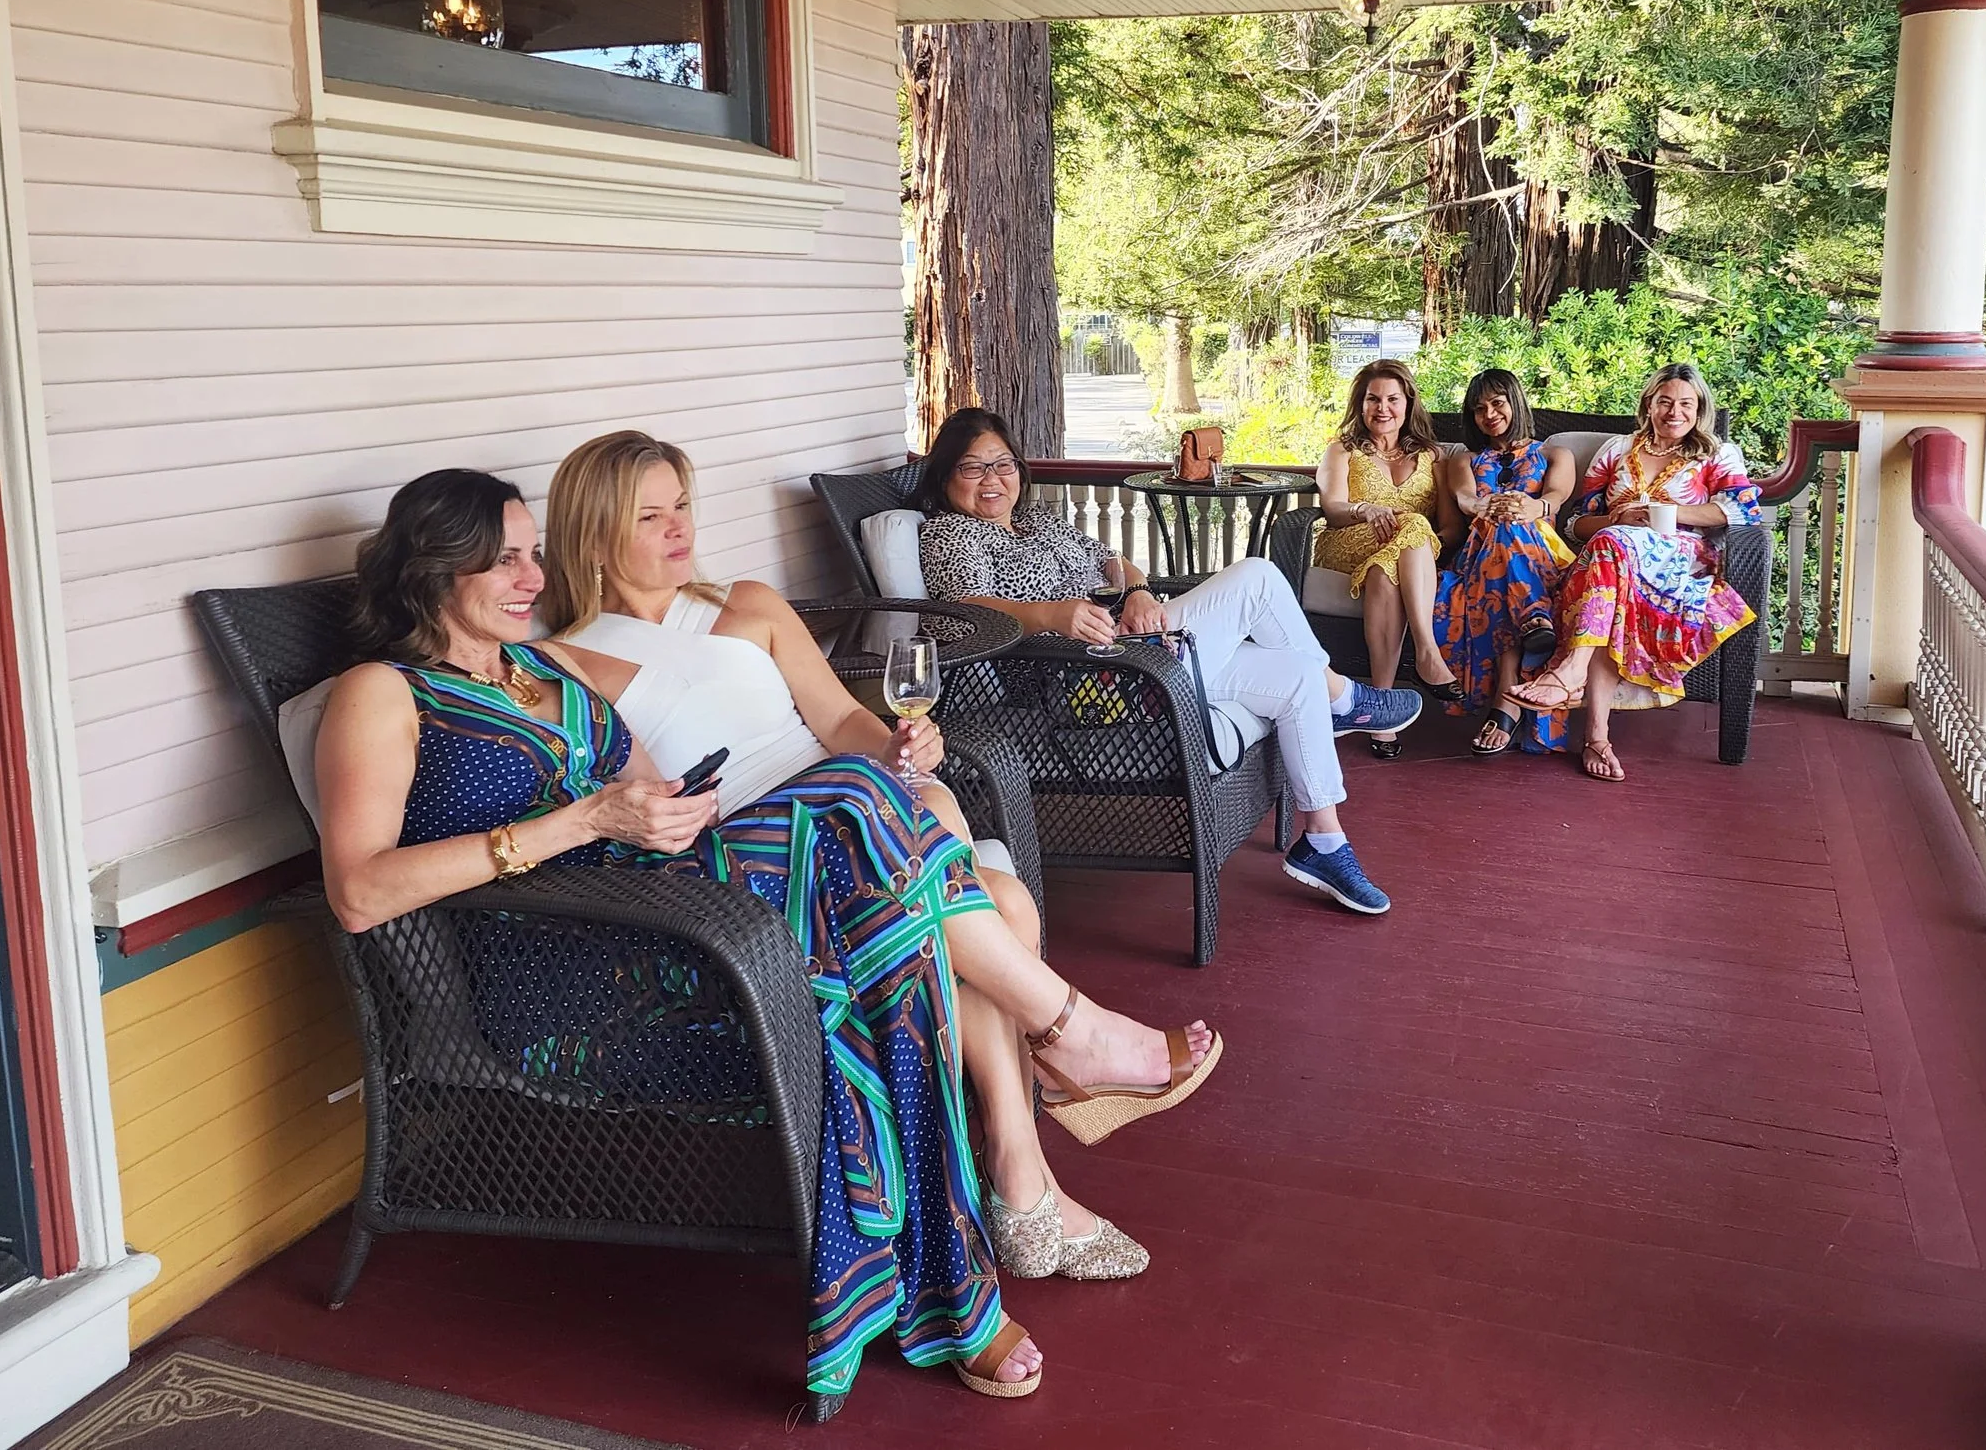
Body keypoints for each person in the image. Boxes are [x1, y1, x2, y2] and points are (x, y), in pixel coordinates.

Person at [318, 469, 1220, 1407]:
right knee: (860, 811)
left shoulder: (545, 669)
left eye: (532, 553)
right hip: (579, 976)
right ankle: (1062, 1037)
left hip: (679, 923)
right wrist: (580, 824)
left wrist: (661, 814)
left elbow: (660, 799)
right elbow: (358, 888)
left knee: (885, 893)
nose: (529, 576)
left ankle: (975, 1255)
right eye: (501, 559)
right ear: (432, 569)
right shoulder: (383, 693)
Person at [540, 431, 1170, 1294]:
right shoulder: (567, 664)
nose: (678, 528)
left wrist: (902, 742)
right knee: (998, 908)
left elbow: (842, 725)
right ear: (592, 535)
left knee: (966, 865)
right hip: (768, 864)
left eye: (681, 504)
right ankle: (1061, 1057)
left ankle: (1025, 1177)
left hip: (862, 812)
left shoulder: (750, 603)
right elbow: (645, 807)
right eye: (650, 516)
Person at [916, 406, 1416, 915]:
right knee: (1259, 577)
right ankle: (1345, 697)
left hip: (1131, 650)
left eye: (1003, 465)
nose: (992, 480)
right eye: (973, 467)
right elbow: (965, 610)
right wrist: (1050, 615)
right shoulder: (949, 534)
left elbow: (1109, 558)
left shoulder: (1037, 521)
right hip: (1078, 678)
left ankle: (1323, 842)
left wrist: (1136, 590)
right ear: (946, 474)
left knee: (1297, 675)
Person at [1508, 364, 1763, 782]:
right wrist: (1619, 521)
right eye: (1664, 401)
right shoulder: (1615, 450)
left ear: (1699, 409)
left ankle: (1574, 677)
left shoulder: (1716, 454)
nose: (1674, 412)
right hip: (1611, 562)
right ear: (1649, 404)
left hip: (1681, 563)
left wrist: (1666, 513)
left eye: (1685, 403)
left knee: (1611, 556)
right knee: (1612, 559)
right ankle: (1596, 739)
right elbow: (1575, 524)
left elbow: (1740, 510)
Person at [1313, 359, 1459, 759]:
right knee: (1411, 523)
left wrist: (1423, 546)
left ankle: (1380, 711)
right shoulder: (1342, 450)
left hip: (1407, 554)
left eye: (1393, 399)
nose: (1383, 408)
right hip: (1347, 541)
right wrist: (1365, 510)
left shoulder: (1432, 456)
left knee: (1385, 570)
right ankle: (1427, 652)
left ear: (1408, 403)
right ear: (1360, 405)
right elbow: (1332, 508)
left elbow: (1449, 527)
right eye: (1372, 399)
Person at [1432, 369, 1577, 755]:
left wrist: (1533, 506)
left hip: (1541, 554)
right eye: (1480, 409)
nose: (1490, 414)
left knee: (1511, 528)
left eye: (1498, 403)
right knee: (1500, 527)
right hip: (1479, 555)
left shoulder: (1553, 453)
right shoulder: (1463, 458)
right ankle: (1533, 621)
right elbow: (1464, 497)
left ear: (1516, 402)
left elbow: (1557, 497)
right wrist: (1484, 506)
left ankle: (1504, 700)